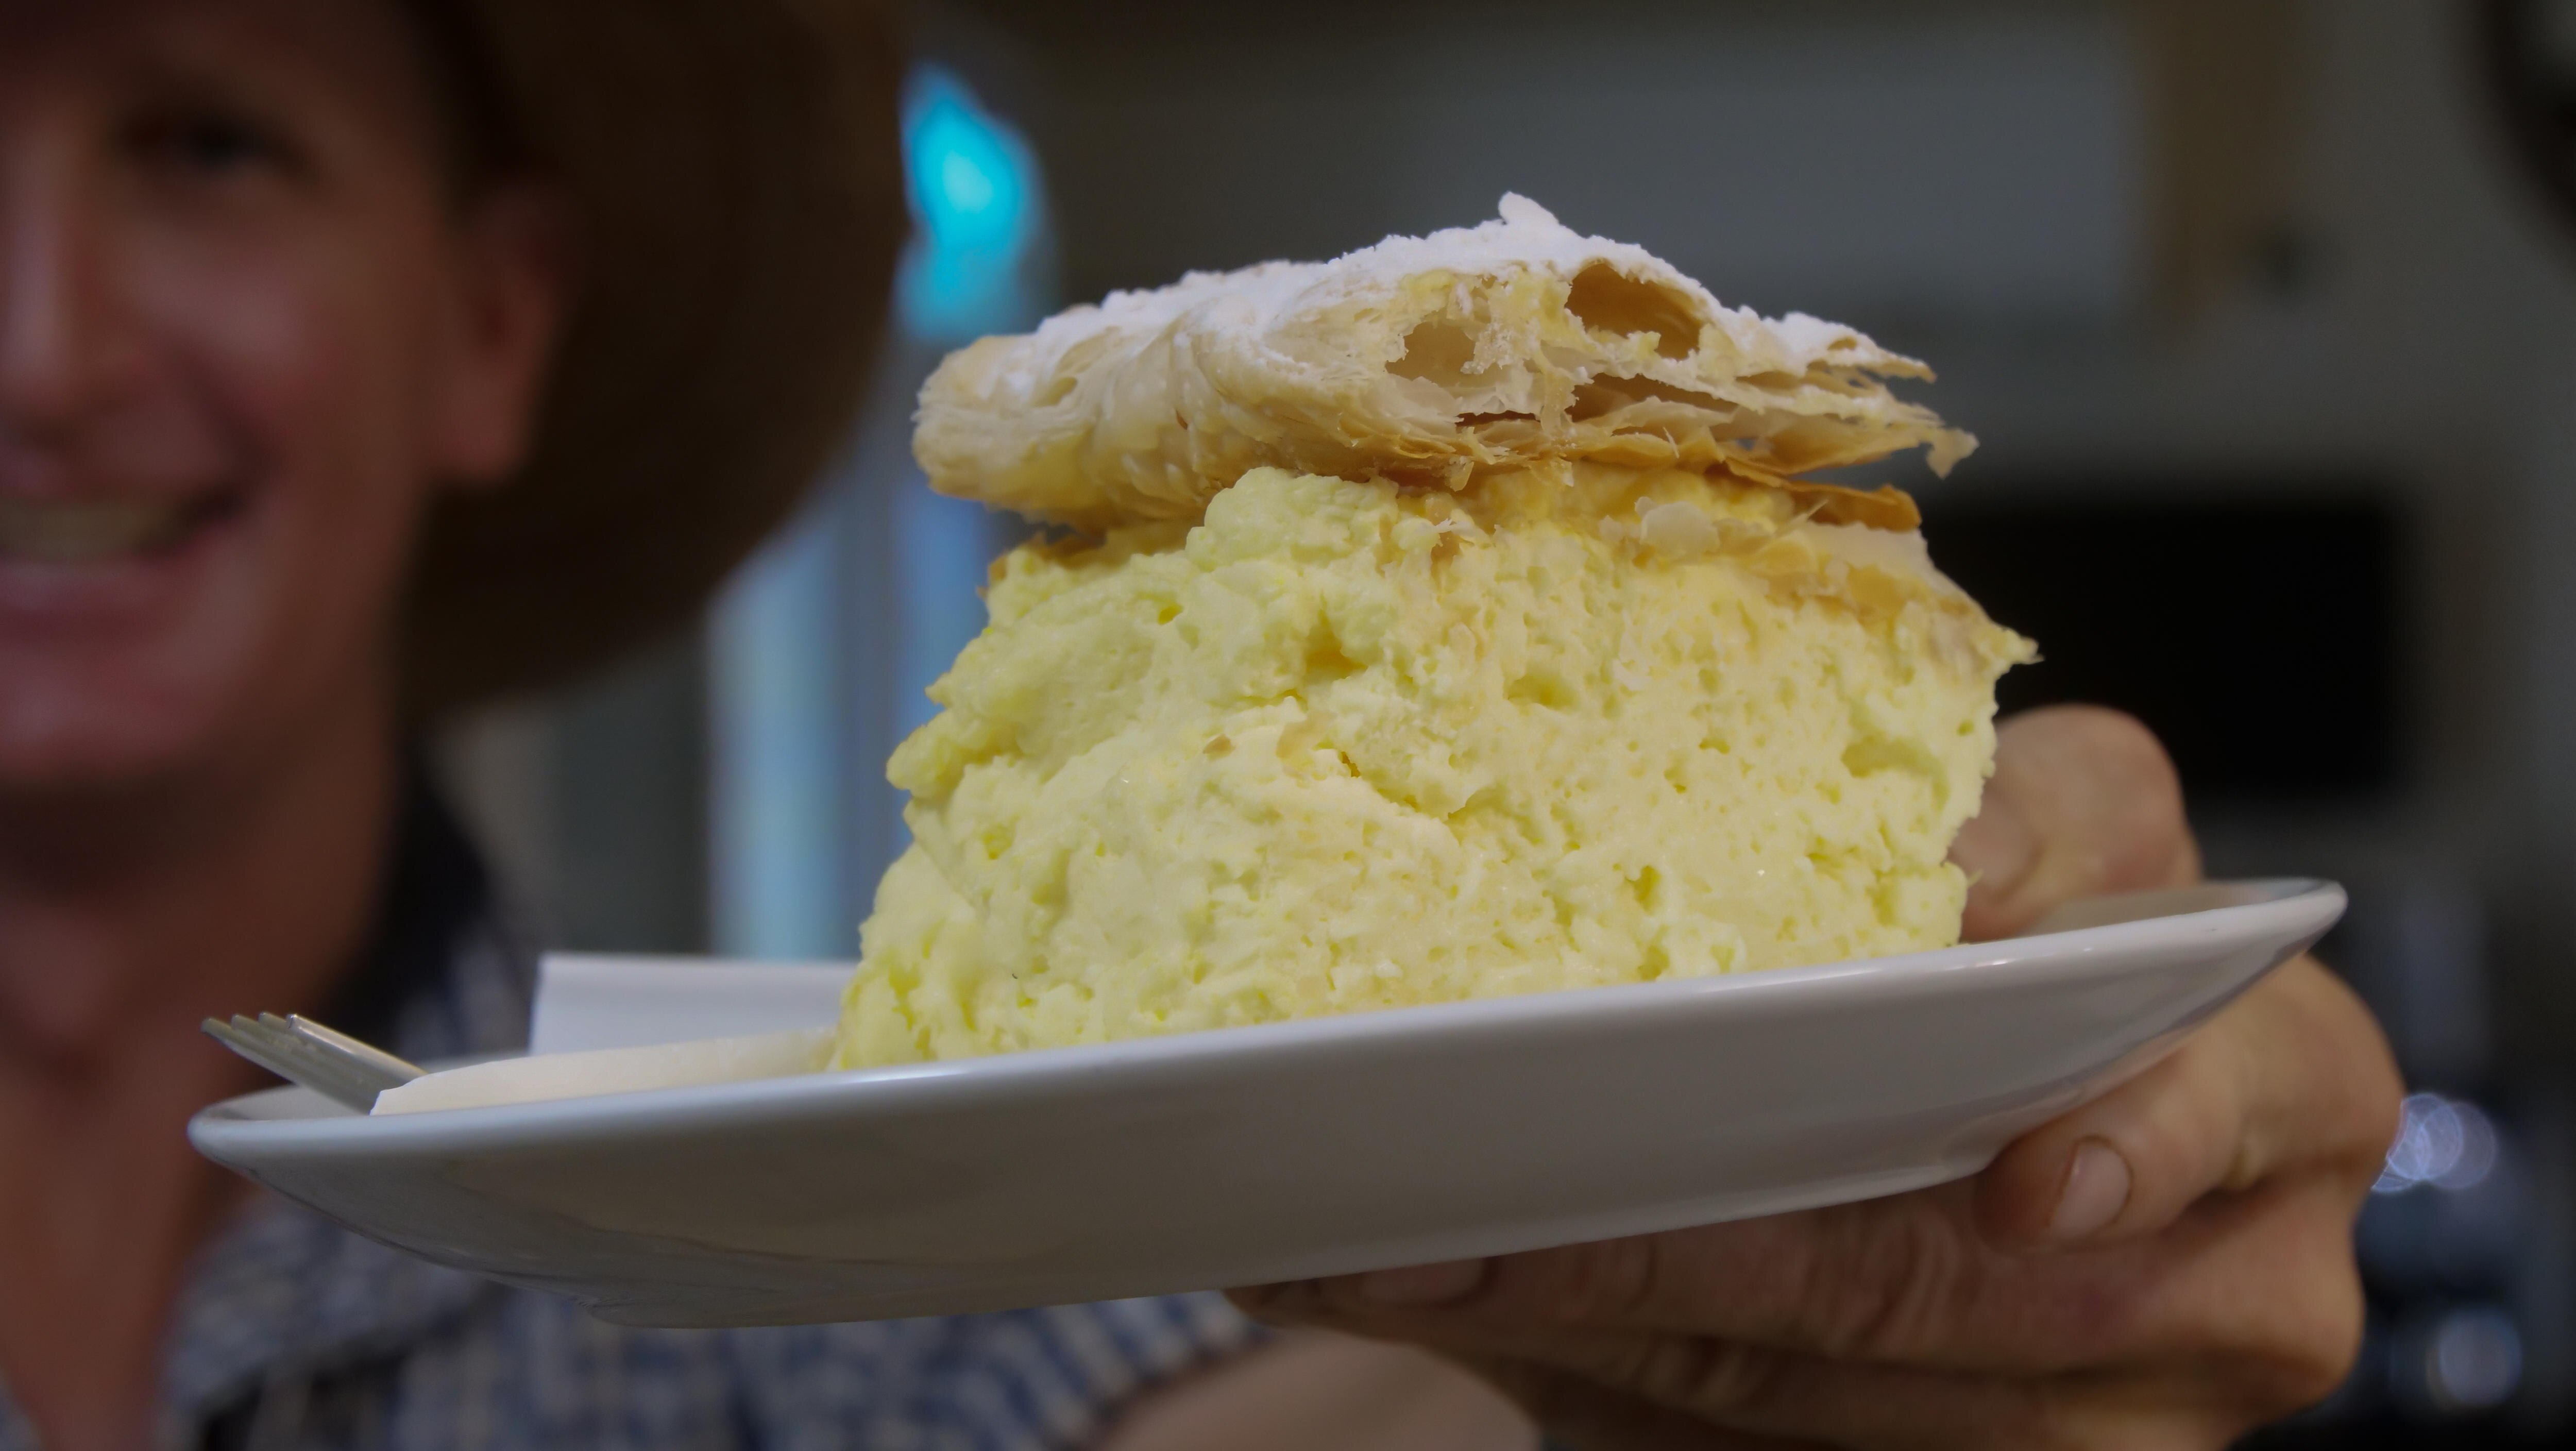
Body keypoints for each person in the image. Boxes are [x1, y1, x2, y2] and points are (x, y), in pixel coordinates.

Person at [0, 1, 2401, 1448]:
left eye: (209, 143)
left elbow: (1271, 1384)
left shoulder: (807, 1234)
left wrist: (1805, 1350)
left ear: (496, 319)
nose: (40, 348)